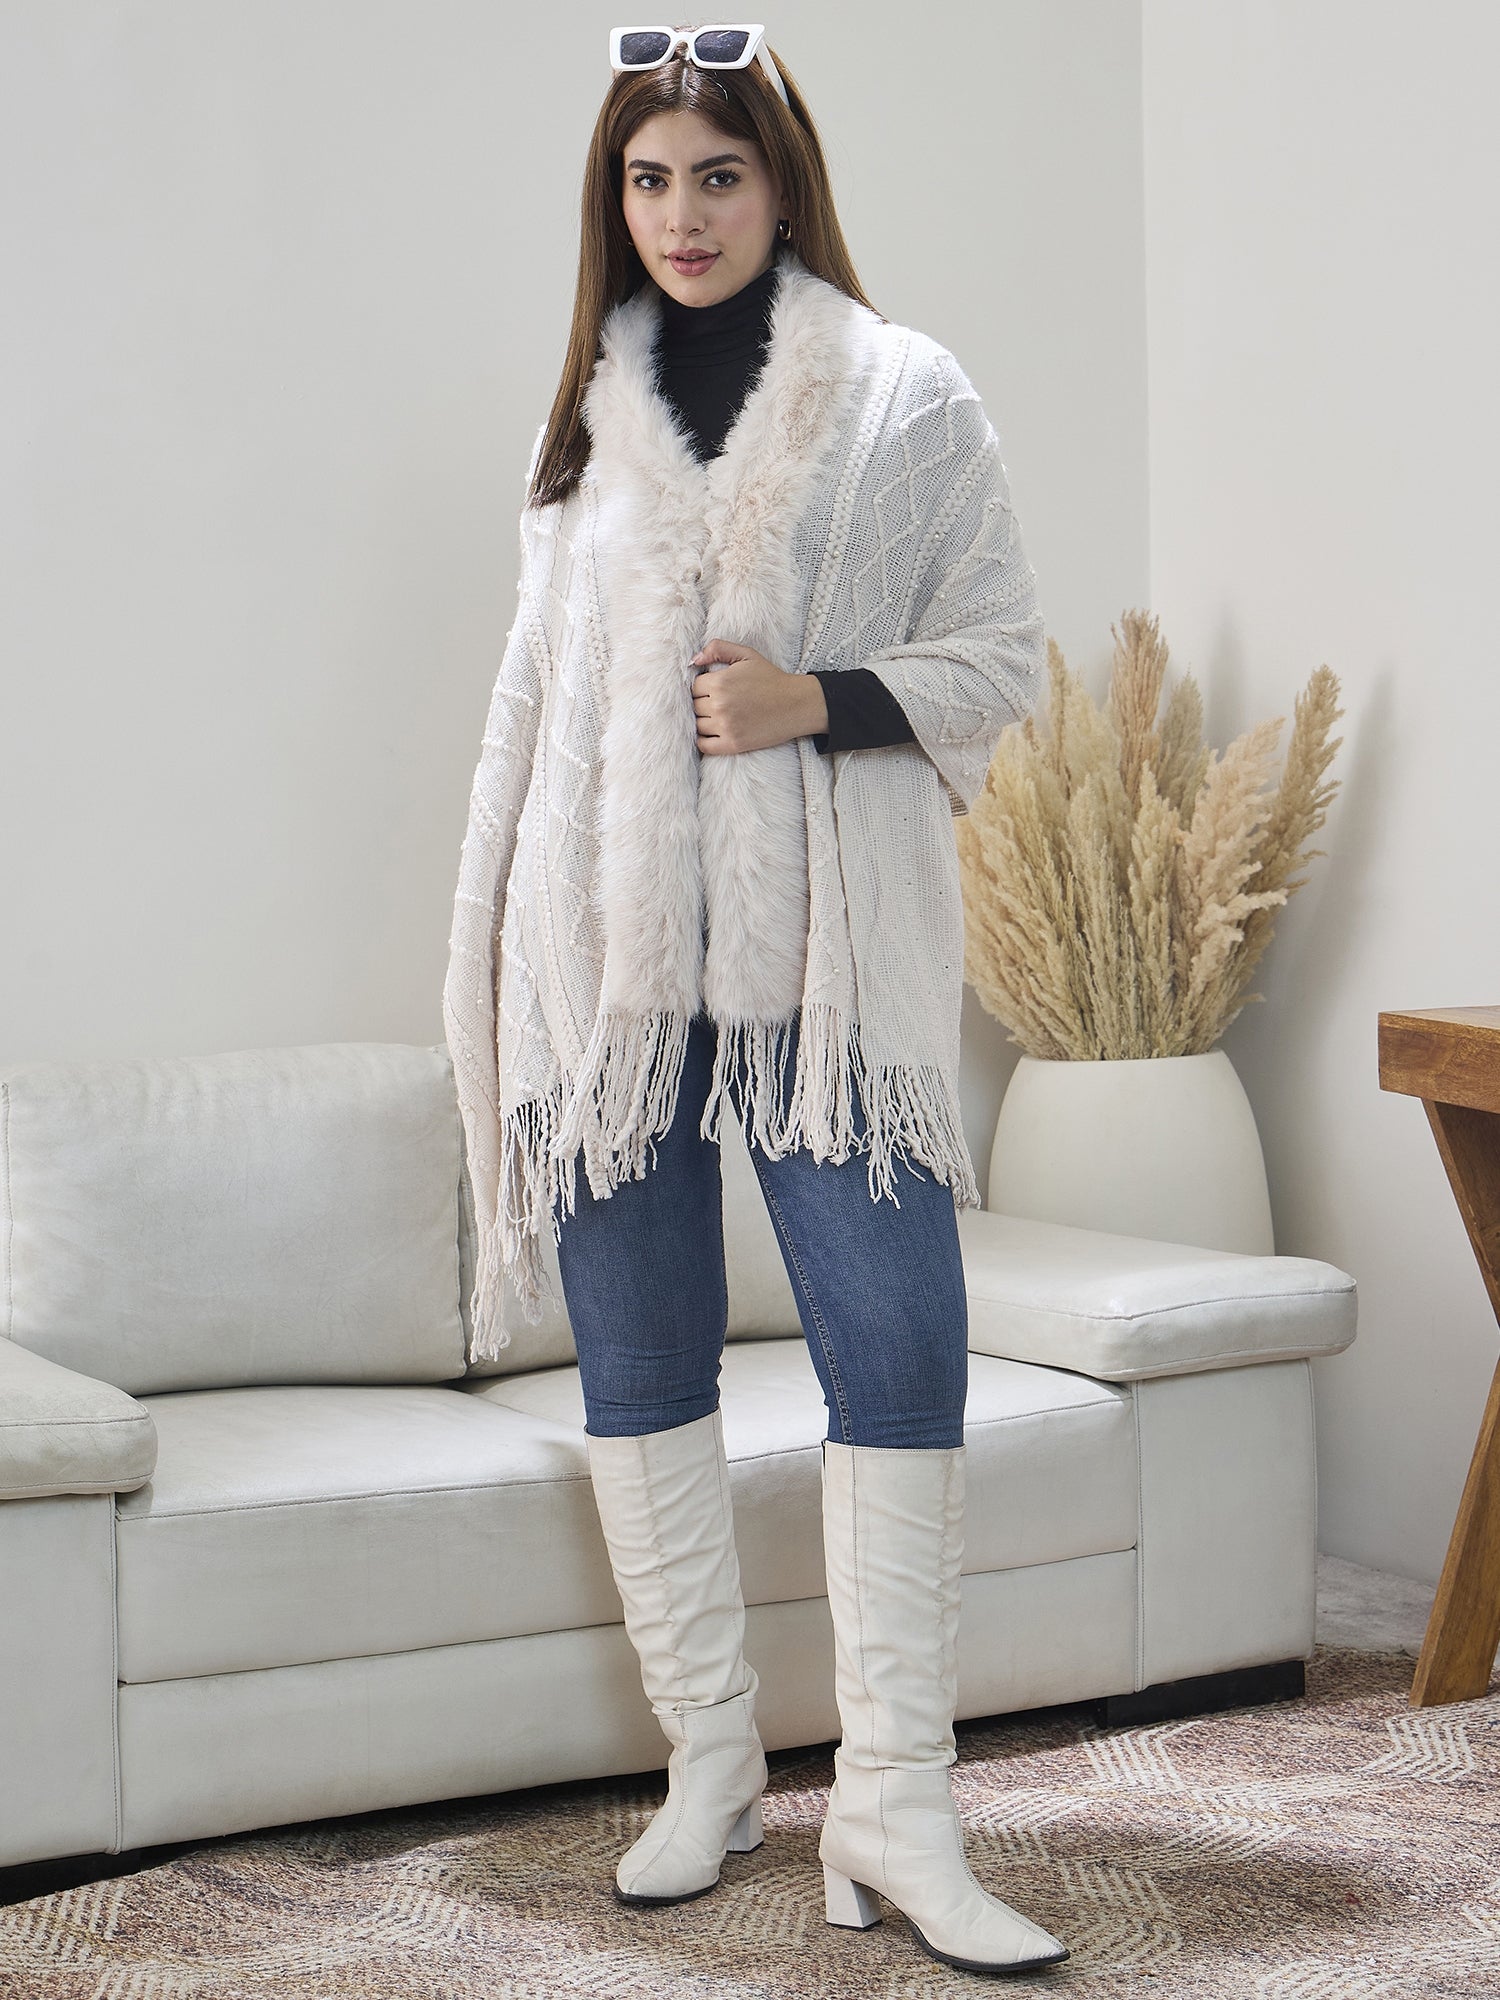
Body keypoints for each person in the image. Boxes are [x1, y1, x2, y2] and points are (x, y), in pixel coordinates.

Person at [443, 22, 1066, 1979]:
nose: (682, 214)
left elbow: (1005, 656)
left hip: (828, 965)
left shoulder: (905, 395)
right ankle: (710, 1760)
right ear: (612, 201)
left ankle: (898, 1805)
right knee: (641, 1359)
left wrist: (815, 701)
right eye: (648, 178)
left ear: (782, 186)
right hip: (612, 970)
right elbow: (528, 714)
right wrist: (489, 957)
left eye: (717, 174)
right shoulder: (582, 430)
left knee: (901, 1346)